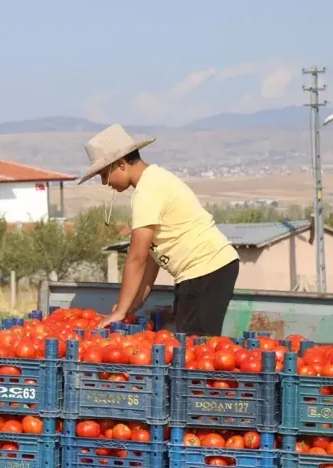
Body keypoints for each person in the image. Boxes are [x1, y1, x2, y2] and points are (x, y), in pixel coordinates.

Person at [79, 124, 240, 336]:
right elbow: (153, 257)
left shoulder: (147, 191)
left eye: (103, 175)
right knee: (191, 343)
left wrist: (119, 311)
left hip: (205, 271)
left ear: (120, 164)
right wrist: (135, 303)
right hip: (203, 273)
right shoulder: (153, 181)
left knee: (195, 349)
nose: (104, 183)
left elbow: (137, 257)